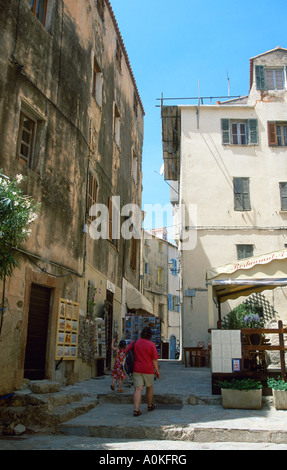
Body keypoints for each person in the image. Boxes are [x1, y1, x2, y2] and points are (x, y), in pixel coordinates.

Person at [125, 326, 160, 416]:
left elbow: (126, 351)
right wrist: (157, 371)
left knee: (138, 389)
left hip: (136, 369)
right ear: (150, 335)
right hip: (148, 369)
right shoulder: (151, 345)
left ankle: (136, 410)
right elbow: (154, 359)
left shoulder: (135, 342)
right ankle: (149, 405)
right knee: (149, 387)